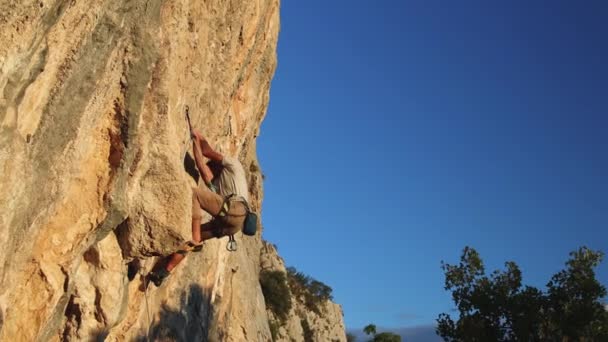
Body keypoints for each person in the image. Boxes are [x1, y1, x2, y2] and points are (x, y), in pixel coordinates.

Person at [148, 129, 250, 286]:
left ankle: (195, 239)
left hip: (235, 209)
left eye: (214, 168)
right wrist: (195, 143)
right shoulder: (219, 183)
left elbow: (207, 152)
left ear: (219, 165)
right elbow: (201, 166)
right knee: (193, 237)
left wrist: (199, 137)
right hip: (233, 225)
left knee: (195, 196)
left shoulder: (233, 165)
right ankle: (164, 271)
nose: (212, 172)